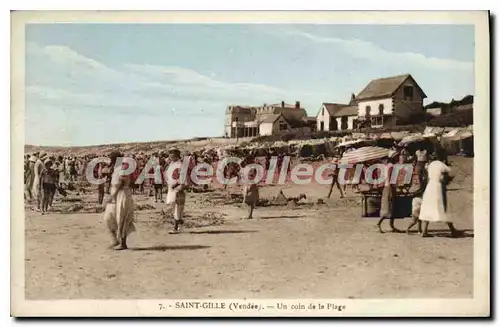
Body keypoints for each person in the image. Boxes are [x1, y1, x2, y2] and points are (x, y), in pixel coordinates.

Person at [418, 157, 461, 238]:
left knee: (428, 207)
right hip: (438, 187)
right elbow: (444, 177)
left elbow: (428, 178)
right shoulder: (441, 165)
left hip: (430, 186)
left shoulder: (430, 165)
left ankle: (424, 230)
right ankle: (452, 230)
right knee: (444, 207)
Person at [103, 151, 136, 250]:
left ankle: (123, 243)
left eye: (112, 158)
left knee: (122, 218)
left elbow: (122, 182)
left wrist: (112, 196)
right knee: (109, 218)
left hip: (121, 194)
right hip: (116, 194)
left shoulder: (123, 167)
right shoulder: (117, 168)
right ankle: (115, 240)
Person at [376, 150, 402, 233]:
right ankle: (378, 224)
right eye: (397, 156)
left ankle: (392, 225)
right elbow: (389, 178)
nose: (398, 157)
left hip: (389, 187)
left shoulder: (390, 165)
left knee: (392, 208)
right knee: (387, 208)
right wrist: (391, 190)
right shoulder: (390, 166)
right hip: (389, 187)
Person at [166, 148, 190, 234]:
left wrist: (177, 185)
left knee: (178, 207)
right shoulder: (171, 164)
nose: (170, 155)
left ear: (176, 155)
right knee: (173, 206)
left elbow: (182, 178)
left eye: (172, 154)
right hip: (171, 188)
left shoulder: (180, 165)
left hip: (178, 188)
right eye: (170, 154)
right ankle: (179, 223)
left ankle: (175, 227)